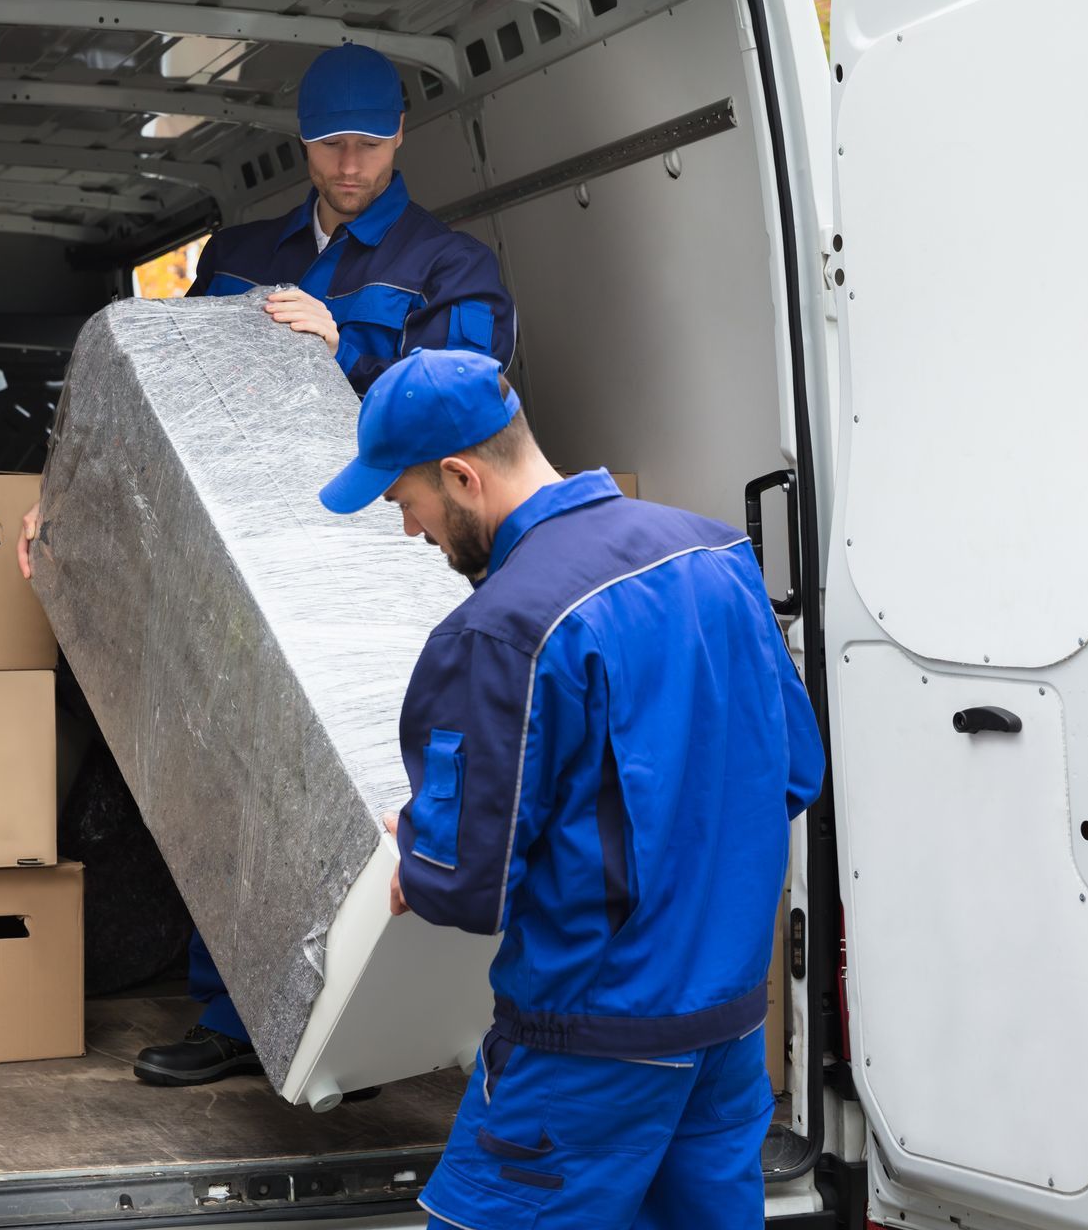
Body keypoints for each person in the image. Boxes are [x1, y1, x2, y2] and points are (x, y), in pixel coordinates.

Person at [17, 45, 517, 1089]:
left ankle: (377, 1020)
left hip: (380, 567)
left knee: (380, 790)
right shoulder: (242, 251)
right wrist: (72, 502)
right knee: (229, 774)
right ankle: (233, 1010)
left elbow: (473, 404)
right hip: (237, 564)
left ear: (399, 138)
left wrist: (346, 348)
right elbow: (167, 397)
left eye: (368, 146)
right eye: (330, 147)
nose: (348, 167)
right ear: (302, 143)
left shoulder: (451, 266)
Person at [317, 349, 825, 1227]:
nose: (410, 532)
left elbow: (466, 883)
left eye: (406, 504)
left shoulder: (502, 631)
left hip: (591, 1046)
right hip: (728, 1031)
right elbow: (792, 773)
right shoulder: (715, 554)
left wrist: (415, 852)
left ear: (460, 477)